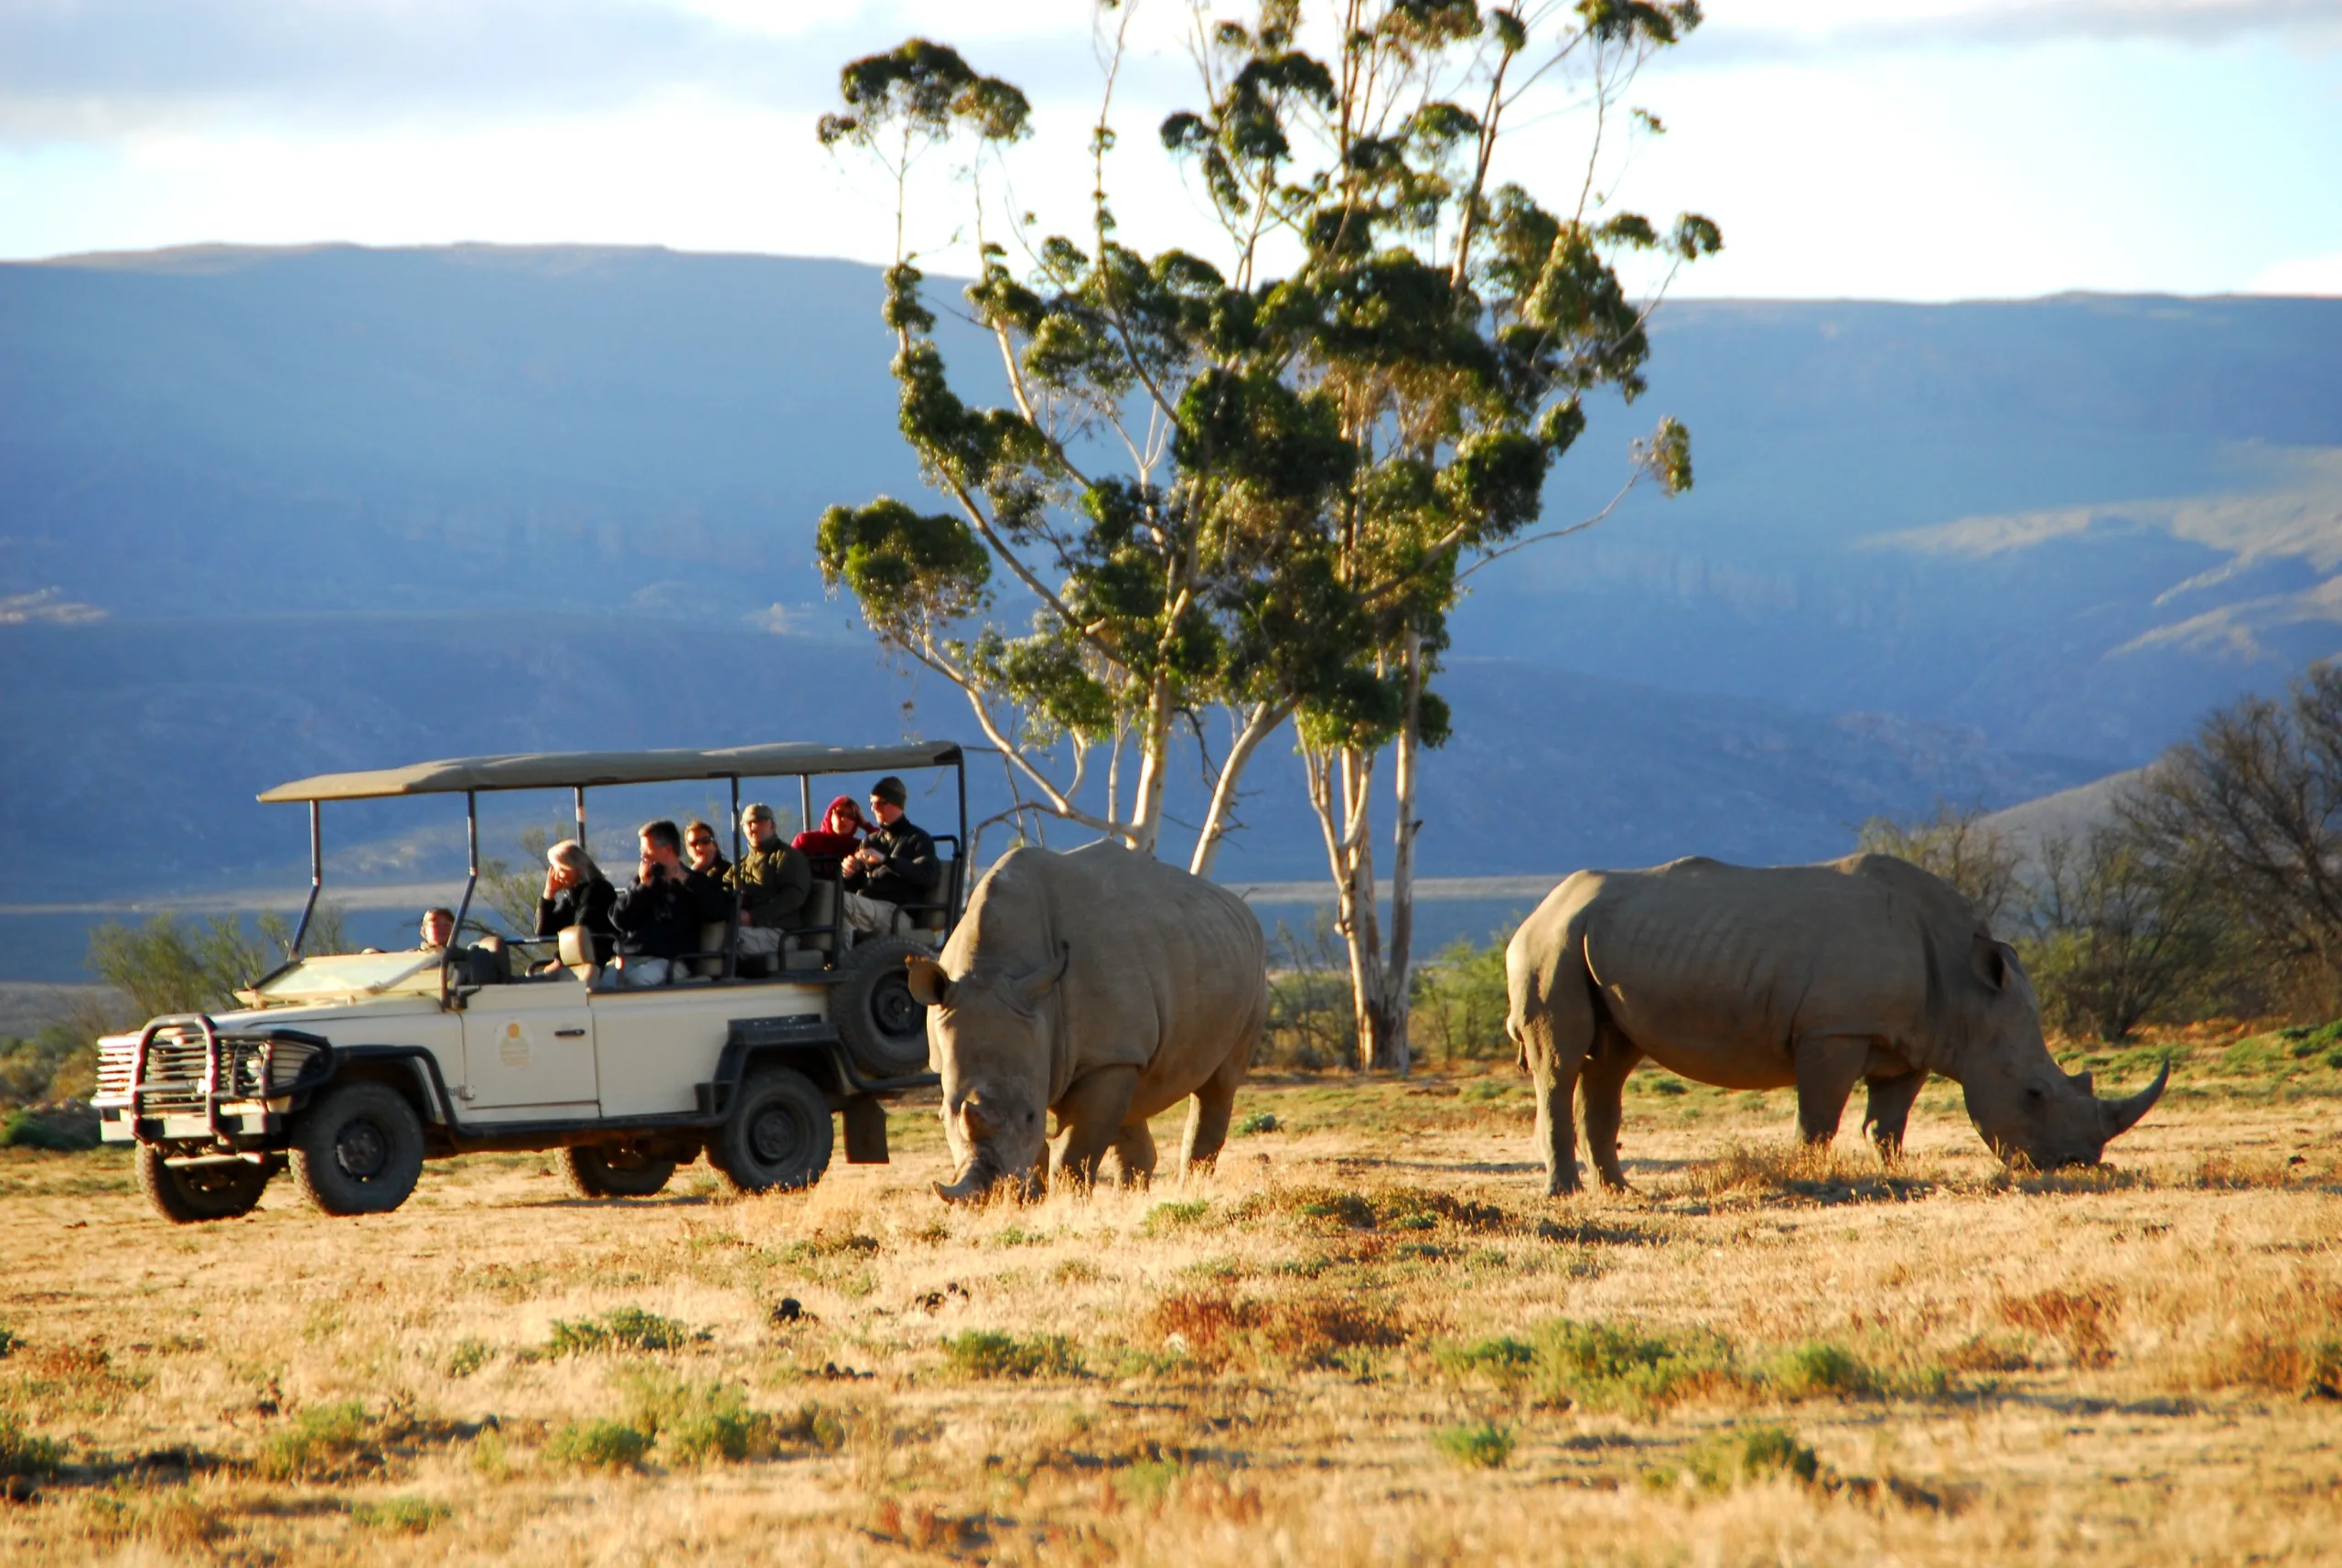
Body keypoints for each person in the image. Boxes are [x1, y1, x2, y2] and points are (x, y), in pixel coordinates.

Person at [605, 819, 729, 987]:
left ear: (668, 850)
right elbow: (621, 920)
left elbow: (719, 910)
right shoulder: (643, 882)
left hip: (671, 961)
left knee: (635, 982)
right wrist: (643, 887)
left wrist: (684, 879)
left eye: (647, 851)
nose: (643, 857)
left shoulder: (696, 883)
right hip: (632, 957)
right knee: (604, 983)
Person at [840, 776, 941, 935]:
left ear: (896, 805)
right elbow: (856, 885)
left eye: (880, 803)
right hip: (867, 907)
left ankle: (842, 958)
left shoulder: (918, 839)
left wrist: (887, 861)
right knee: (832, 902)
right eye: (871, 802)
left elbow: (927, 875)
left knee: (841, 903)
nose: (873, 808)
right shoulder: (869, 841)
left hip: (898, 913)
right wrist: (849, 873)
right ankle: (838, 958)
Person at [728, 802, 812, 962]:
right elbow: (724, 886)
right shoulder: (742, 864)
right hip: (754, 930)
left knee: (730, 938)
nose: (753, 827)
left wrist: (753, 917)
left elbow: (793, 897)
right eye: (748, 823)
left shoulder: (788, 857)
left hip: (782, 934)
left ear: (772, 826)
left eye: (759, 821)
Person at [534, 839, 617, 964]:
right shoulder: (572, 898)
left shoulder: (598, 891)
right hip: (579, 961)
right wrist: (548, 894)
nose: (557, 876)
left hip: (597, 960)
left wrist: (559, 961)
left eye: (559, 869)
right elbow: (544, 933)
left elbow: (582, 933)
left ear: (576, 868)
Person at [793, 794, 868, 872]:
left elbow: (880, 845)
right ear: (830, 815)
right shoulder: (807, 840)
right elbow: (788, 868)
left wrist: (866, 825)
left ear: (856, 822)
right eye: (840, 813)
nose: (843, 819)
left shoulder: (858, 847)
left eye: (851, 816)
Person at [683, 819, 730, 884]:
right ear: (688, 851)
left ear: (715, 845)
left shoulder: (730, 873)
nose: (699, 847)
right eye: (693, 843)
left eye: (705, 841)